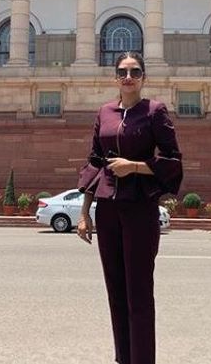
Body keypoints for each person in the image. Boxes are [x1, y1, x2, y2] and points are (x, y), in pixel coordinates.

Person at [77, 51, 183, 364]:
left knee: (139, 291)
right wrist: (84, 214)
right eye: (123, 72)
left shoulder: (154, 111)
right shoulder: (105, 112)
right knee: (115, 289)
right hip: (107, 208)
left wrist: (134, 166)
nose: (128, 77)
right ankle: (124, 358)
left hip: (140, 207)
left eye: (135, 72)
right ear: (115, 77)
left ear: (143, 78)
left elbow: (173, 160)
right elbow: (94, 162)